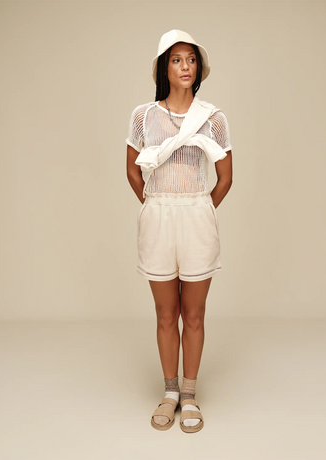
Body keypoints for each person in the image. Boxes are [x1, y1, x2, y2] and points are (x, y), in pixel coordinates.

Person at [125, 29, 233, 433]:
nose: (185, 66)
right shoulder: (143, 115)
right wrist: (155, 206)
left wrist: (199, 209)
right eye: (176, 60)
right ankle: (169, 392)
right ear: (163, 68)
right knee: (166, 313)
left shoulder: (213, 118)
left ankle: (189, 394)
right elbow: (132, 170)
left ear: (199, 67)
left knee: (195, 313)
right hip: (158, 216)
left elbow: (225, 177)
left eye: (191, 59)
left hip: (197, 217)